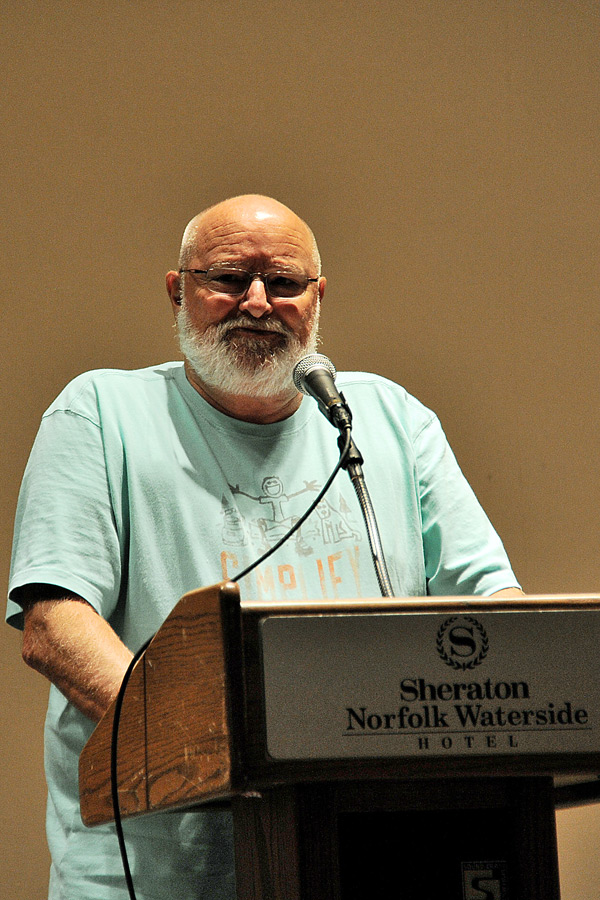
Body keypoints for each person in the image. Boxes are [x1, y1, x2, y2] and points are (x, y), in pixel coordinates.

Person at [7, 194, 522, 900]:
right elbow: (56, 627)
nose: (257, 302)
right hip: (157, 874)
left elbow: (495, 610)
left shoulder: (389, 420)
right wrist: (222, 746)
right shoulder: (99, 412)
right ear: (177, 291)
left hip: (371, 851)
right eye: (228, 279)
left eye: (283, 283)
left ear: (317, 298)